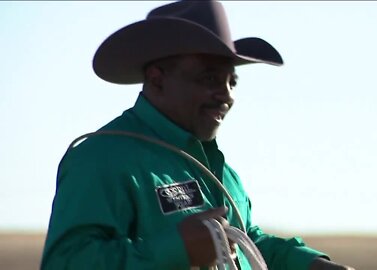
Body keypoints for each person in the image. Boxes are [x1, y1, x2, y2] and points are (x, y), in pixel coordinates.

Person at [41, 1, 354, 270]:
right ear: (156, 79)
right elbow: (66, 262)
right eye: (209, 79)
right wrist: (178, 250)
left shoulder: (220, 170)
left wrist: (308, 263)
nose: (226, 95)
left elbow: (244, 241)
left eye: (232, 82)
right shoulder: (103, 158)